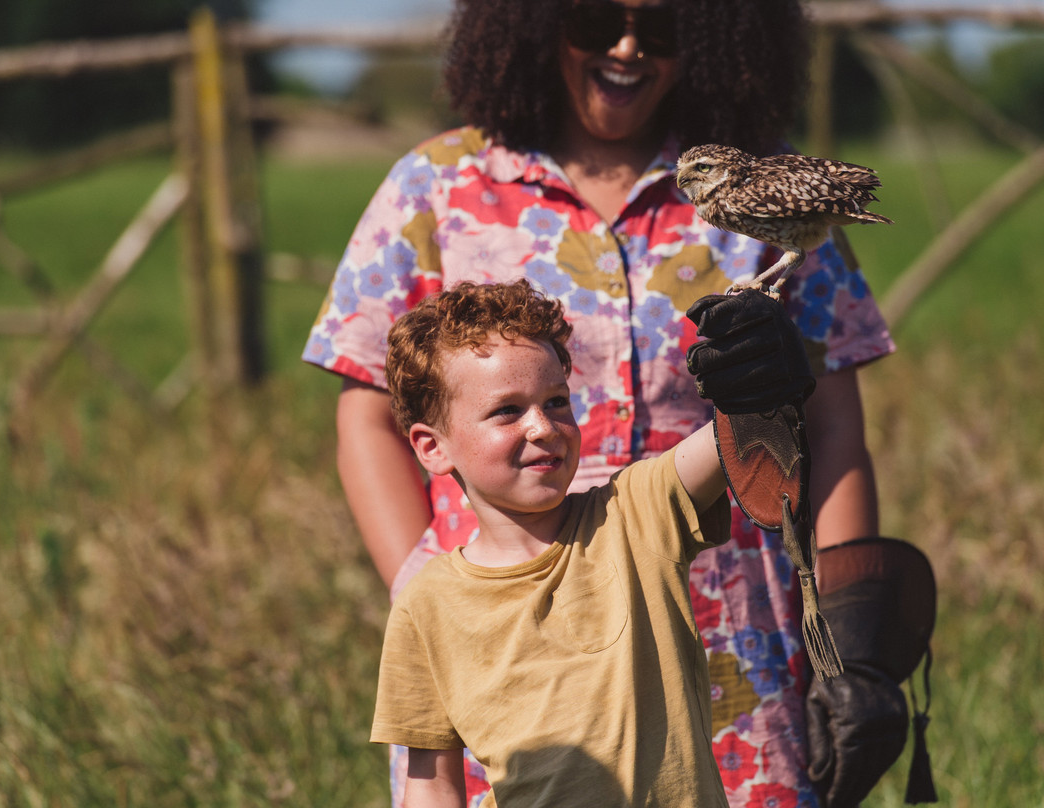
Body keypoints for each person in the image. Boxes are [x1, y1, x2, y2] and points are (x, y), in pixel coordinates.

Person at [303, 0, 897, 805]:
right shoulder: (438, 187)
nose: (626, 47)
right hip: (506, 641)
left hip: (733, 641)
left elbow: (833, 429)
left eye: (659, 29)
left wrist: (853, 640)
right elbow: (367, 414)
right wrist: (434, 602)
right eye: (593, 17)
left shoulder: (766, 185)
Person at [372, 279, 812, 808]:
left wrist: (754, 383)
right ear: (432, 447)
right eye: (507, 411)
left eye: (557, 402)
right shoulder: (425, 607)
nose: (542, 427)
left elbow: (723, 439)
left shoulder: (634, 513)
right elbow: (431, 781)